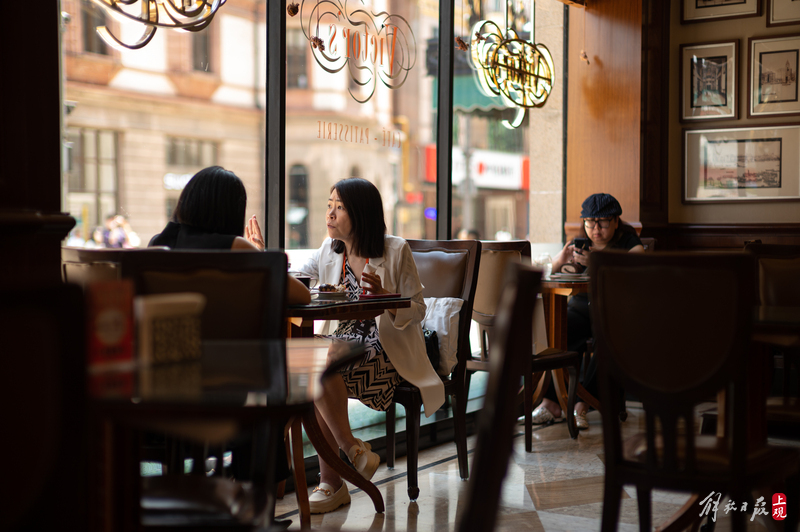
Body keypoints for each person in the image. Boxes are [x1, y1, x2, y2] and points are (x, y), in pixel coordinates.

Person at [295, 177, 444, 514]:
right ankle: (352, 455)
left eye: (340, 207)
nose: (330, 214)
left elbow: (418, 308)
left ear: (360, 212)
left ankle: (333, 482)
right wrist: (264, 257)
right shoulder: (329, 250)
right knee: (316, 360)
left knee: (319, 361)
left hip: (387, 348)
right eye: (329, 206)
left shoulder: (394, 249)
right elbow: (297, 280)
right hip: (342, 346)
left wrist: (387, 299)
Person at [533, 193, 644, 430]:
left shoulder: (629, 242)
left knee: (609, 337)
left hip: (612, 312)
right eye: (589, 222)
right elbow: (547, 272)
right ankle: (551, 402)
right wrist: (558, 261)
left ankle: (583, 404)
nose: (595, 228)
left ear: (616, 221)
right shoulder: (578, 243)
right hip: (581, 308)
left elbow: (638, 269)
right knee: (556, 332)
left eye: (602, 222)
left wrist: (598, 261)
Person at [149, 166, 310, 305]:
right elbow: (302, 295)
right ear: (232, 213)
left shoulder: (159, 244)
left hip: (172, 338)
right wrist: (258, 255)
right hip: (228, 339)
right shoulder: (235, 246)